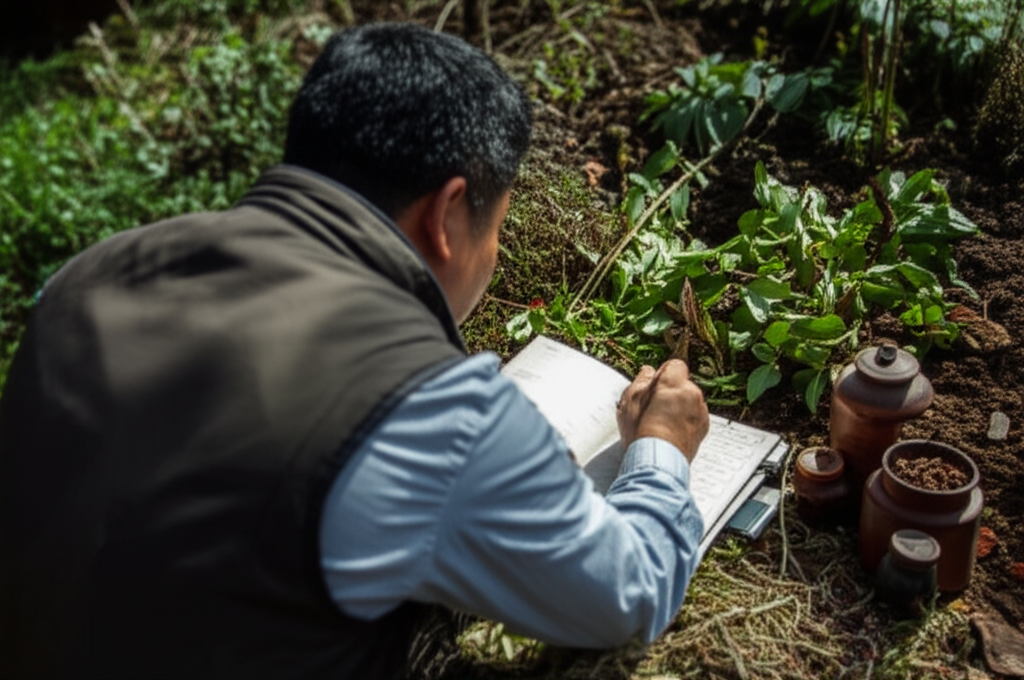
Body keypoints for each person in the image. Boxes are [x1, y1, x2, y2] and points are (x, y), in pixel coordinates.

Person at [0, 22, 710, 679]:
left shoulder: (87, 275)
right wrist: (662, 447)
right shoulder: (420, 404)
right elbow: (628, 592)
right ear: (447, 212)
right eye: (497, 221)